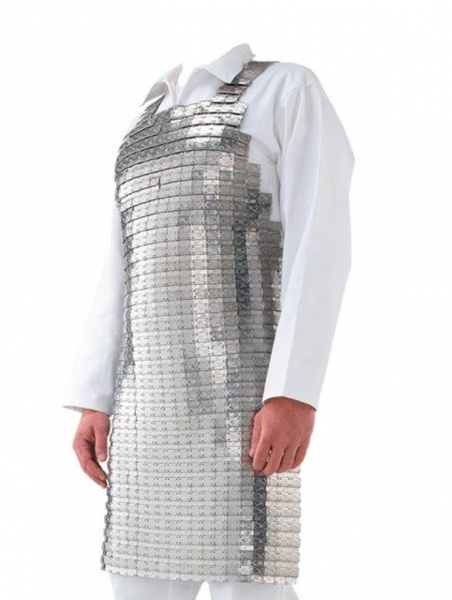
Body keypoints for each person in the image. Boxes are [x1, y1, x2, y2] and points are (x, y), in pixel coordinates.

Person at [63, 42, 355, 600]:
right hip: (146, 412)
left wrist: (294, 391)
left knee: (250, 584)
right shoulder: (144, 124)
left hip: (244, 407)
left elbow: (320, 244)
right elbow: (121, 267)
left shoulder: (285, 89)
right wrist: (94, 397)